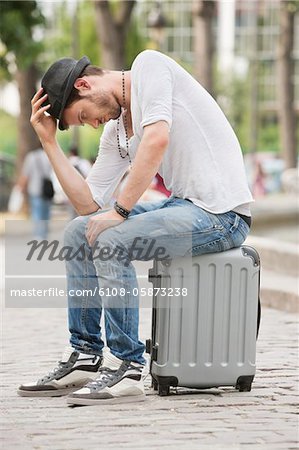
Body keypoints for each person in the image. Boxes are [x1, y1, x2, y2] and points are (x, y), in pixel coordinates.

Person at [18, 51, 253, 405]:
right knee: (77, 233)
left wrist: (121, 210)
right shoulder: (116, 131)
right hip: (184, 207)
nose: (93, 124)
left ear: (85, 84)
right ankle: (85, 356)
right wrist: (49, 143)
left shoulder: (149, 67)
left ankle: (128, 367)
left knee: (111, 239)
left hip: (222, 216)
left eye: (85, 115)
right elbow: (87, 206)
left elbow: (158, 139)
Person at [17, 146, 53, 239]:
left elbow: (25, 174)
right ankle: (44, 234)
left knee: (37, 213)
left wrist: (21, 187)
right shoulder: (49, 155)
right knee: (46, 213)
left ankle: (38, 235)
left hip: (35, 188)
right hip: (47, 189)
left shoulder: (31, 157)